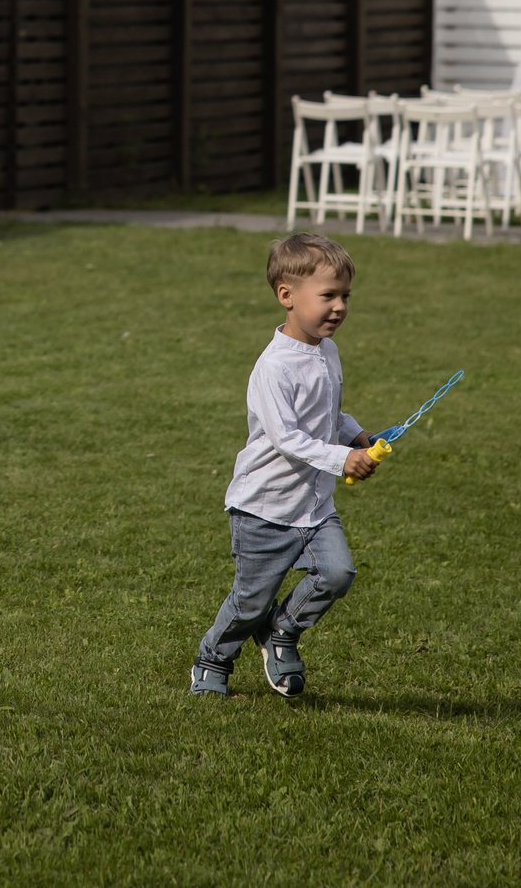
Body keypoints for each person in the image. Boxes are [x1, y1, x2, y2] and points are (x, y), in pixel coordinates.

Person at [190, 232, 378, 700]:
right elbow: (289, 439)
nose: (339, 307)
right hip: (263, 509)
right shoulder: (274, 368)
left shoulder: (326, 350)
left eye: (345, 296)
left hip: (313, 508)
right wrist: (343, 460)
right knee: (249, 601)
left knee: (337, 575)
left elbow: (328, 411)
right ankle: (213, 658)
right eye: (328, 296)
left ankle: (283, 633)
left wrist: (355, 435)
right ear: (287, 296)